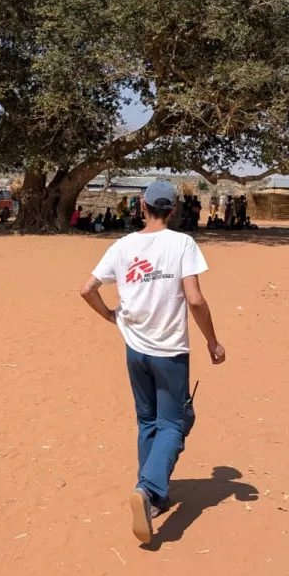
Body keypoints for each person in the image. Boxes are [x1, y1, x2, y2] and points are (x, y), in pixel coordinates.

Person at [80, 180, 226, 545]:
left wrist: (111, 316)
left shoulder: (122, 246)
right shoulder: (182, 244)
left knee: (147, 420)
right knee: (174, 423)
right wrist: (212, 340)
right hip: (170, 350)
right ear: (173, 211)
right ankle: (148, 489)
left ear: (142, 207)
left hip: (135, 349)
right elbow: (195, 299)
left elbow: (87, 288)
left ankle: (154, 498)